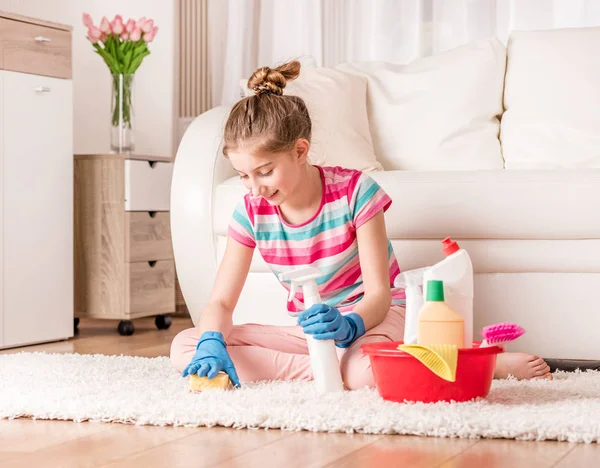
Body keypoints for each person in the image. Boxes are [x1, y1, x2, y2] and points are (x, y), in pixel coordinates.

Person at [170, 60, 551, 389]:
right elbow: (220, 301)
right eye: (243, 176)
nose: (255, 189)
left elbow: (379, 296)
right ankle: (339, 371)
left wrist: (350, 326)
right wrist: (212, 342)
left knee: (363, 370)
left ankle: (480, 365)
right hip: (316, 334)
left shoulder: (356, 192)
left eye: (265, 172)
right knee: (186, 345)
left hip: (375, 320)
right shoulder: (251, 211)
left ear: (300, 151)